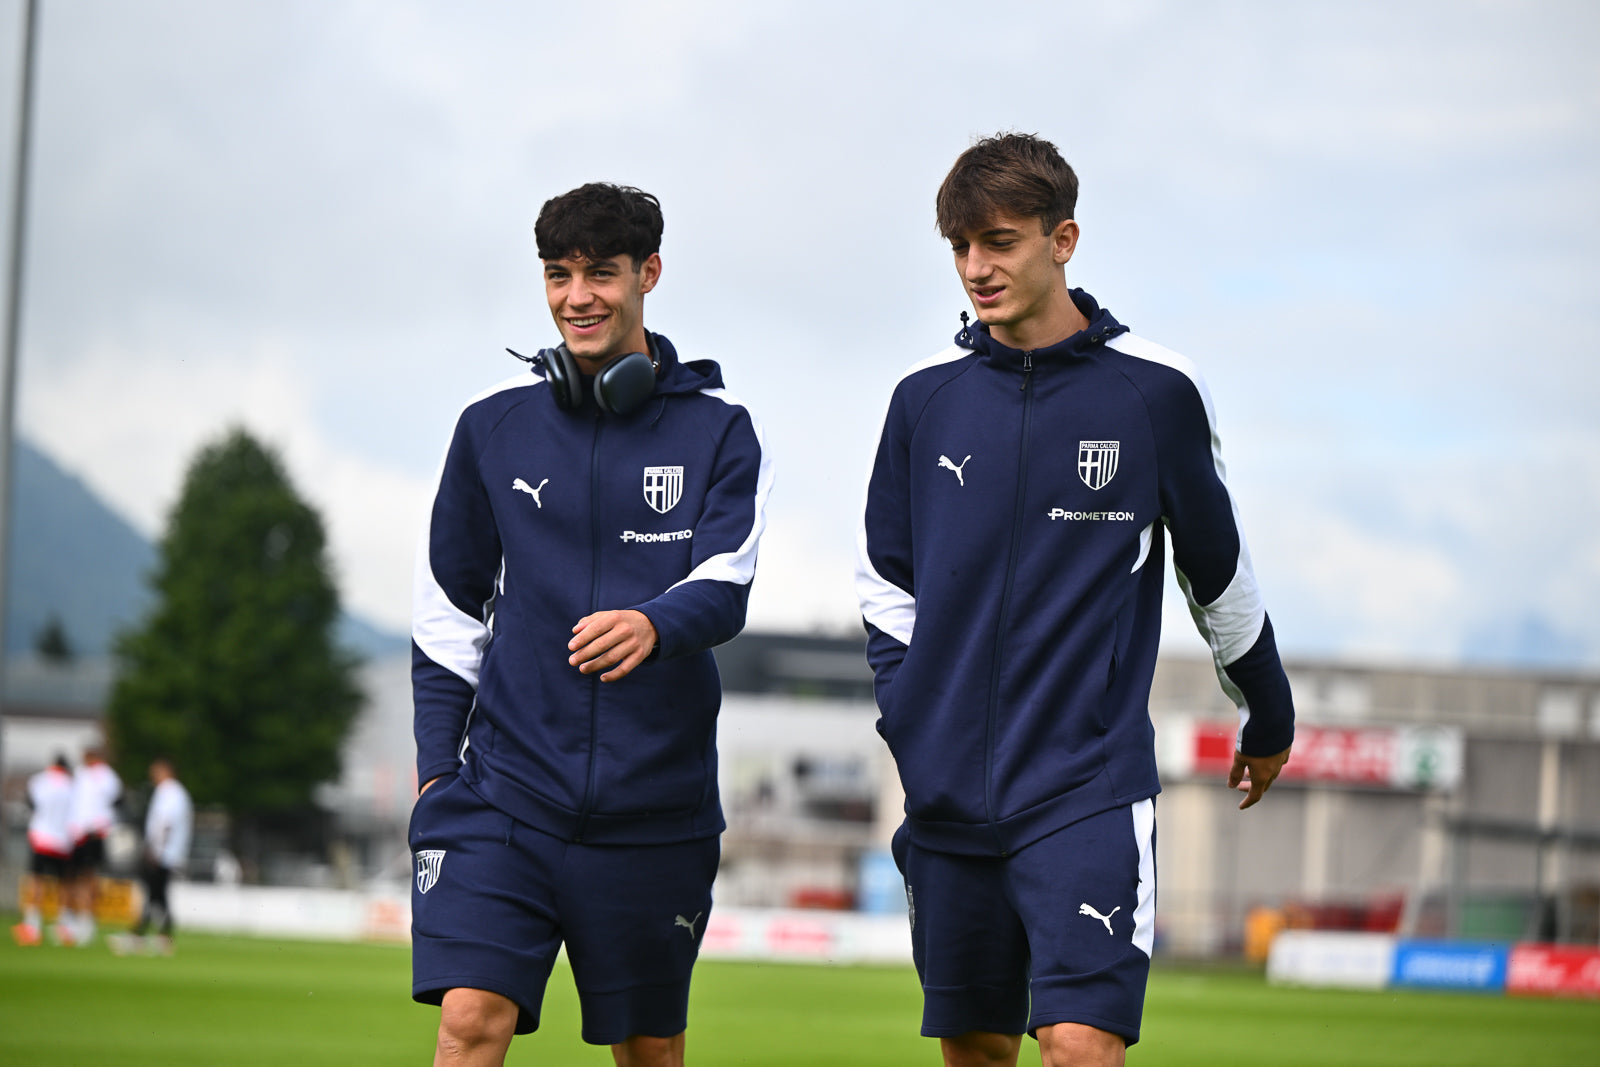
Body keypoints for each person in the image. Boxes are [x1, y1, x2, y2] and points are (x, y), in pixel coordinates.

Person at [855, 133, 1296, 1067]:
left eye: (1001, 242)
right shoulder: (921, 397)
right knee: (976, 1048)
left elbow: (1215, 567)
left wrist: (1268, 706)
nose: (977, 268)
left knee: (1081, 1044)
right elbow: (886, 581)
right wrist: (911, 716)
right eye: (961, 247)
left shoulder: (1156, 391)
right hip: (944, 796)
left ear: (1064, 240)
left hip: (1083, 785)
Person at [410, 182, 771, 1067]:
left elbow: (727, 582)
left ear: (648, 272)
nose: (579, 296)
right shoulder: (491, 426)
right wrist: (432, 773)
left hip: (656, 815)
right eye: (559, 274)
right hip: (505, 799)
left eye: (602, 272)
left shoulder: (722, 429)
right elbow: (447, 612)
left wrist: (656, 623)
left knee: (650, 1051)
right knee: (469, 1022)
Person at [113, 758, 193, 956]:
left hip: (163, 853)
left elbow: (165, 824)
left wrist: (156, 850)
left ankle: (141, 935)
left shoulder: (170, 793)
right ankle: (159, 936)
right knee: (158, 895)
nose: (152, 776)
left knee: (154, 893)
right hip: (165, 852)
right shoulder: (171, 792)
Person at [61, 746, 121, 947]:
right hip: (77, 834)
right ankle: (71, 918)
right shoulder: (80, 774)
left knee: (88, 877)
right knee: (72, 877)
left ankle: (87, 920)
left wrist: (98, 826)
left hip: (93, 834)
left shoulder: (107, 776)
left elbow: (111, 803)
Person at [12, 755, 73, 946]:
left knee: (36, 881)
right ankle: (63, 925)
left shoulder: (40, 780)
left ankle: (33, 926)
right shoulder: (72, 784)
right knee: (63, 884)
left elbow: (31, 803)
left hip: (41, 838)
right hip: (63, 841)